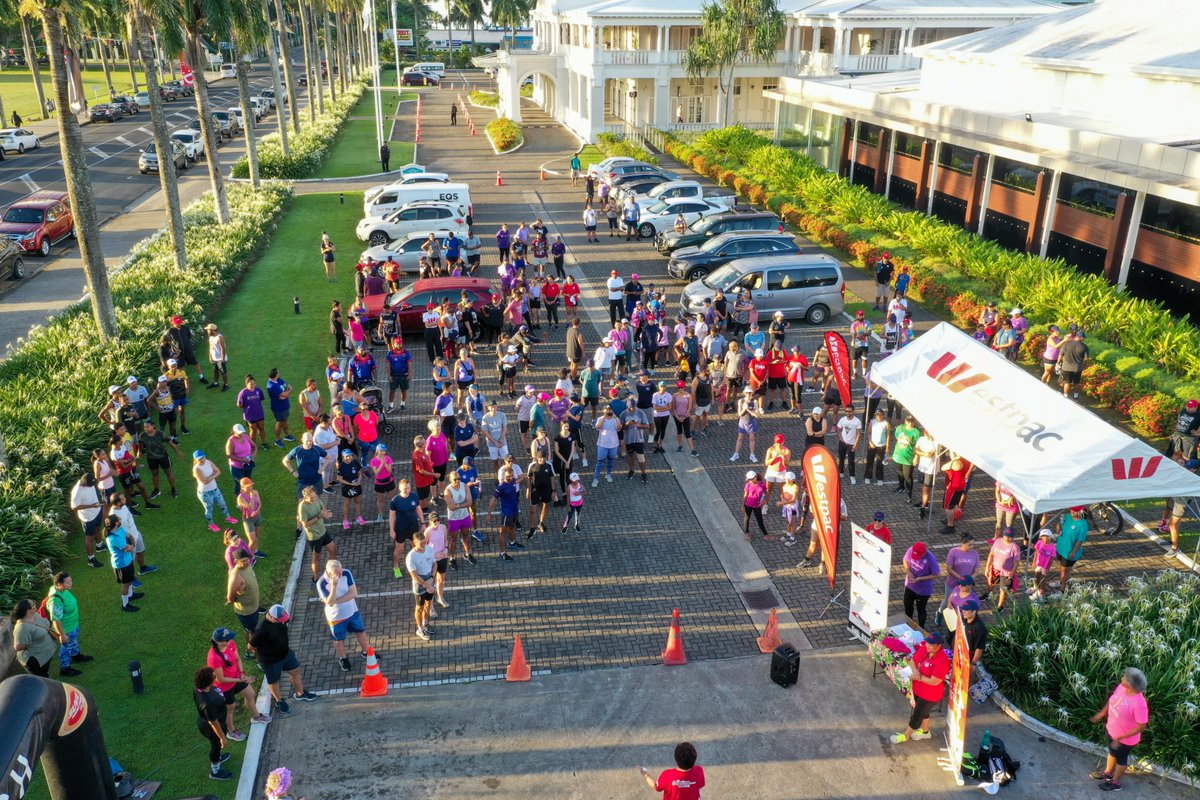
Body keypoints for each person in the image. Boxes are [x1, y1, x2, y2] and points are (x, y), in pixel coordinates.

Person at [1089, 668, 1150, 793]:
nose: (1122, 678)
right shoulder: (1122, 688)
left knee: (1121, 760)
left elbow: (1141, 726)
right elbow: (1113, 699)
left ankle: (1116, 783)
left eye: (1125, 678)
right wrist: (1102, 713)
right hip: (1112, 730)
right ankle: (1108, 773)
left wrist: (1121, 737)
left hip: (1125, 739)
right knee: (1111, 752)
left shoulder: (1139, 704)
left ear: (1132, 685)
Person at [251, 604, 319, 717]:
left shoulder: (281, 619)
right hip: (271, 661)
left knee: (295, 671)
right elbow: (251, 647)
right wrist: (261, 657)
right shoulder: (260, 630)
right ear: (272, 617)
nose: (283, 621)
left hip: (286, 654)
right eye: (279, 620)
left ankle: (300, 693)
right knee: (274, 681)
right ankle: (279, 701)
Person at [206, 627, 270, 743]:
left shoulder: (230, 643)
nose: (231, 640)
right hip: (224, 687)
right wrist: (240, 680)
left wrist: (242, 674)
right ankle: (231, 731)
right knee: (230, 708)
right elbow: (220, 679)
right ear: (219, 642)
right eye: (227, 639)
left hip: (237, 678)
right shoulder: (213, 658)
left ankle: (256, 716)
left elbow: (238, 659)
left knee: (250, 694)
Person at [889, 631, 950, 745]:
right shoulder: (925, 649)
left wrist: (918, 678)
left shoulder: (942, 661)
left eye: (931, 645)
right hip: (918, 688)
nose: (928, 646)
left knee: (917, 715)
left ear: (939, 646)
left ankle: (905, 736)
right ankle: (926, 732)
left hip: (930, 695)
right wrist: (916, 672)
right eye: (927, 643)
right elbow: (913, 660)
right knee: (923, 712)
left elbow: (935, 681)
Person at [316, 560, 371, 673]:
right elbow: (330, 603)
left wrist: (337, 600)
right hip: (336, 617)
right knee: (338, 639)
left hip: (352, 611)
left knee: (360, 631)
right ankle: (343, 658)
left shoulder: (346, 573)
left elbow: (353, 593)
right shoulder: (321, 583)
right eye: (337, 573)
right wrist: (334, 586)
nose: (340, 574)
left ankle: (367, 652)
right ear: (330, 573)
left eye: (340, 571)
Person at [194, 667, 235, 781]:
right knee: (216, 746)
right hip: (212, 728)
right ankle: (215, 770)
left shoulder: (198, 689)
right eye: (214, 676)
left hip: (209, 722)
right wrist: (222, 737)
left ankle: (218, 757)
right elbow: (214, 723)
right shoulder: (208, 703)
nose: (216, 676)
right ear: (208, 682)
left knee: (216, 747)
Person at [46, 572, 91, 676]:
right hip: (66, 629)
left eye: (71, 581)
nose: (71, 584)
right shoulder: (55, 600)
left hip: (73, 625)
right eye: (68, 582)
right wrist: (62, 635)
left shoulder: (61, 589)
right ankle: (65, 669)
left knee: (73, 642)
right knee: (66, 648)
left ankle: (76, 656)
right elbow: (56, 620)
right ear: (59, 584)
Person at [11, 599, 66, 678]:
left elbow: (43, 626)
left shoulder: (34, 615)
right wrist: (32, 644)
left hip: (45, 654)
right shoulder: (22, 628)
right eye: (33, 604)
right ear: (28, 610)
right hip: (36, 660)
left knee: (46, 673)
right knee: (42, 679)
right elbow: (18, 647)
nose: (35, 604)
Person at [104, 514, 143, 612]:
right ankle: (125, 605)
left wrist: (132, 543)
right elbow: (128, 548)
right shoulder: (113, 538)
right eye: (119, 519)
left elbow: (129, 536)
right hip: (121, 564)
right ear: (116, 523)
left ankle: (130, 595)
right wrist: (133, 544)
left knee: (129, 580)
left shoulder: (119, 530)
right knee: (126, 584)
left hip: (127, 561)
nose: (121, 519)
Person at [226, 548, 261, 657]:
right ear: (236, 561)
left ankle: (249, 651)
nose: (247, 562)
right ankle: (254, 655)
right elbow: (230, 597)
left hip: (254, 608)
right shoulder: (236, 576)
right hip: (246, 612)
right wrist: (233, 600)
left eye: (248, 560)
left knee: (251, 631)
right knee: (253, 634)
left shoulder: (248, 566)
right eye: (244, 561)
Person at [298, 484, 336, 584]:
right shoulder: (302, 507)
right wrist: (319, 516)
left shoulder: (316, 499)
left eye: (314, 496)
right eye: (311, 498)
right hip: (314, 537)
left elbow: (323, 509)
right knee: (316, 558)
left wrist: (326, 513)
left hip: (323, 531)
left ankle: (331, 571)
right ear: (305, 497)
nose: (313, 499)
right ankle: (316, 577)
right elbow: (305, 524)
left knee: (332, 549)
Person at [639, 742, 704, 799]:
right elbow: (701, 785)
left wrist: (645, 774)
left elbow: (656, 786)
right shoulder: (699, 771)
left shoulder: (667, 775)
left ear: (675, 758)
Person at [936, 533, 979, 621]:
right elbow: (948, 568)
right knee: (947, 600)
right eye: (970, 545)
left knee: (962, 602)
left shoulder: (975, 554)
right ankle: (940, 613)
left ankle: (957, 620)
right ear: (963, 543)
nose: (972, 546)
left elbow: (977, 570)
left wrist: (969, 580)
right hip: (952, 583)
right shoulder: (954, 552)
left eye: (973, 544)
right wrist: (960, 578)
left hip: (966, 584)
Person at [405, 530, 438, 640]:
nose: (424, 545)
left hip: (430, 578)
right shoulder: (411, 556)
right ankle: (419, 629)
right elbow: (414, 576)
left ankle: (425, 623)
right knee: (419, 607)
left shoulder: (429, 548)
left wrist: (432, 578)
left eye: (424, 542)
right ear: (414, 543)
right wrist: (427, 585)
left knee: (428, 603)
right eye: (421, 543)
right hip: (420, 584)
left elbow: (434, 564)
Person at [70, 471, 107, 568]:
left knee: (98, 528)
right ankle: (91, 559)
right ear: (85, 483)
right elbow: (74, 507)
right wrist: (91, 506)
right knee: (89, 537)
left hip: (97, 510)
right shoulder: (77, 491)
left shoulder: (89, 481)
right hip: (88, 517)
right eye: (90, 485)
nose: (92, 486)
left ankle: (99, 546)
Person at [984, 527, 1022, 614]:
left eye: (1011, 537)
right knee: (990, 583)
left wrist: (1010, 577)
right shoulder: (997, 541)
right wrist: (987, 567)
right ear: (1003, 535)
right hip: (995, 568)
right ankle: (988, 594)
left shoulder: (1015, 547)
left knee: (1002, 589)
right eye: (1007, 536)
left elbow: (1016, 564)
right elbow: (991, 555)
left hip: (1006, 573)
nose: (1009, 538)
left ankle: (1000, 607)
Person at [901, 541, 939, 628]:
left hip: (923, 590)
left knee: (921, 609)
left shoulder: (931, 559)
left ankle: (921, 628)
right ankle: (908, 623)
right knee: (907, 605)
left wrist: (920, 579)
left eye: (918, 556)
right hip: (910, 585)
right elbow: (905, 560)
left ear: (924, 552)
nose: (916, 558)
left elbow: (936, 574)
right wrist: (909, 571)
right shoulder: (911, 549)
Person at [1057, 504, 1089, 594]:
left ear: (1081, 511)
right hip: (1060, 548)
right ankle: (1060, 582)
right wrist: (1058, 527)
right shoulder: (1067, 517)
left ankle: (1062, 590)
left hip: (1069, 552)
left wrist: (1073, 552)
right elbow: (1059, 529)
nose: (1072, 512)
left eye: (1075, 510)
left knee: (1065, 570)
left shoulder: (1083, 524)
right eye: (1071, 510)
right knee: (1062, 568)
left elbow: (1080, 540)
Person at [1056, 330, 1089, 400]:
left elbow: (1060, 355)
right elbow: (1086, 359)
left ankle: (1065, 396)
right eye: (1084, 338)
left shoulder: (1066, 344)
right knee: (1076, 383)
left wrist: (1058, 363)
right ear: (1081, 338)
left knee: (1067, 382)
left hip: (1066, 367)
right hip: (1077, 368)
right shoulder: (1084, 347)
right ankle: (1075, 396)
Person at [237, 375, 268, 447]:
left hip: (259, 414)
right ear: (246, 384)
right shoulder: (243, 393)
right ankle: (253, 445)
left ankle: (264, 443)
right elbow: (239, 405)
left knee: (261, 428)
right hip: (250, 416)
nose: (253, 385)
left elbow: (260, 399)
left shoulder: (258, 390)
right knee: (253, 431)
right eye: (251, 384)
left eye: (254, 383)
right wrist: (240, 404)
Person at [742, 471, 771, 542]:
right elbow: (745, 495)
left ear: (755, 477)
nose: (750, 481)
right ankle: (746, 533)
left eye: (751, 479)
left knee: (760, 520)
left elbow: (767, 493)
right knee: (747, 518)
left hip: (757, 506)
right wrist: (743, 506)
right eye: (749, 480)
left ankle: (765, 534)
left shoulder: (762, 484)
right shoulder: (748, 484)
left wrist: (765, 501)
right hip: (748, 504)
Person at [1030, 528, 1057, 600]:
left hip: (1045, 566)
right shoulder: (1039, 543)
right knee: (1036, 577)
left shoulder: (1052, 547)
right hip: (1038, 564)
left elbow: (1051, 559)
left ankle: (1041, 593)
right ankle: (1036, 589)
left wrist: (1048, 567)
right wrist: (1034, 562)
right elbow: (1036, 552)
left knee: (1043, 579)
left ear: (1050, 537)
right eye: (1043, 536)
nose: (1045, 538)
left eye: (1046, 536)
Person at [959, 601, 987, 666]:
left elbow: (979, 649)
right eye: (963, 609)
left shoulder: (979, 628)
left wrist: (973, 664)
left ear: (974, 611)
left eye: (966, 610)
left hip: (968, 658)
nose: (963, 611)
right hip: (960, 653)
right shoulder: (964, 618)